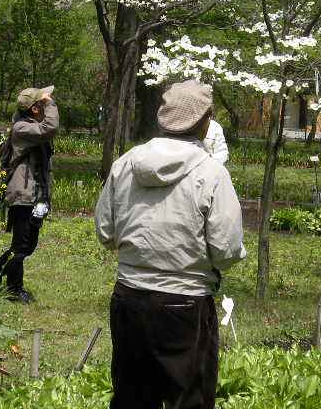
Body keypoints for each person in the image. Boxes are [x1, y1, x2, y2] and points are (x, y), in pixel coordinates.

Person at [96, 79, 246, 409]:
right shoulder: (211, 173)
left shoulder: (126, 163)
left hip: (130, 298)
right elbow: (226, 249)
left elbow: (106, 232)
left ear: (164, 117)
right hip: (186, 305)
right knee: (188, 400)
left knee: (132, 399)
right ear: (206, 121)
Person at [0, 86, 58, 303]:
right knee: (21, 245)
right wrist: (50, 104)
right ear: (36, 109)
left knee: (28, 244)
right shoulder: (22, 129)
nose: (49, 102)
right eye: (44, 102)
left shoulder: (31, 125)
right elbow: (50, 128)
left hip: (34, 194)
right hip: (23, 194)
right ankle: (14, 289)